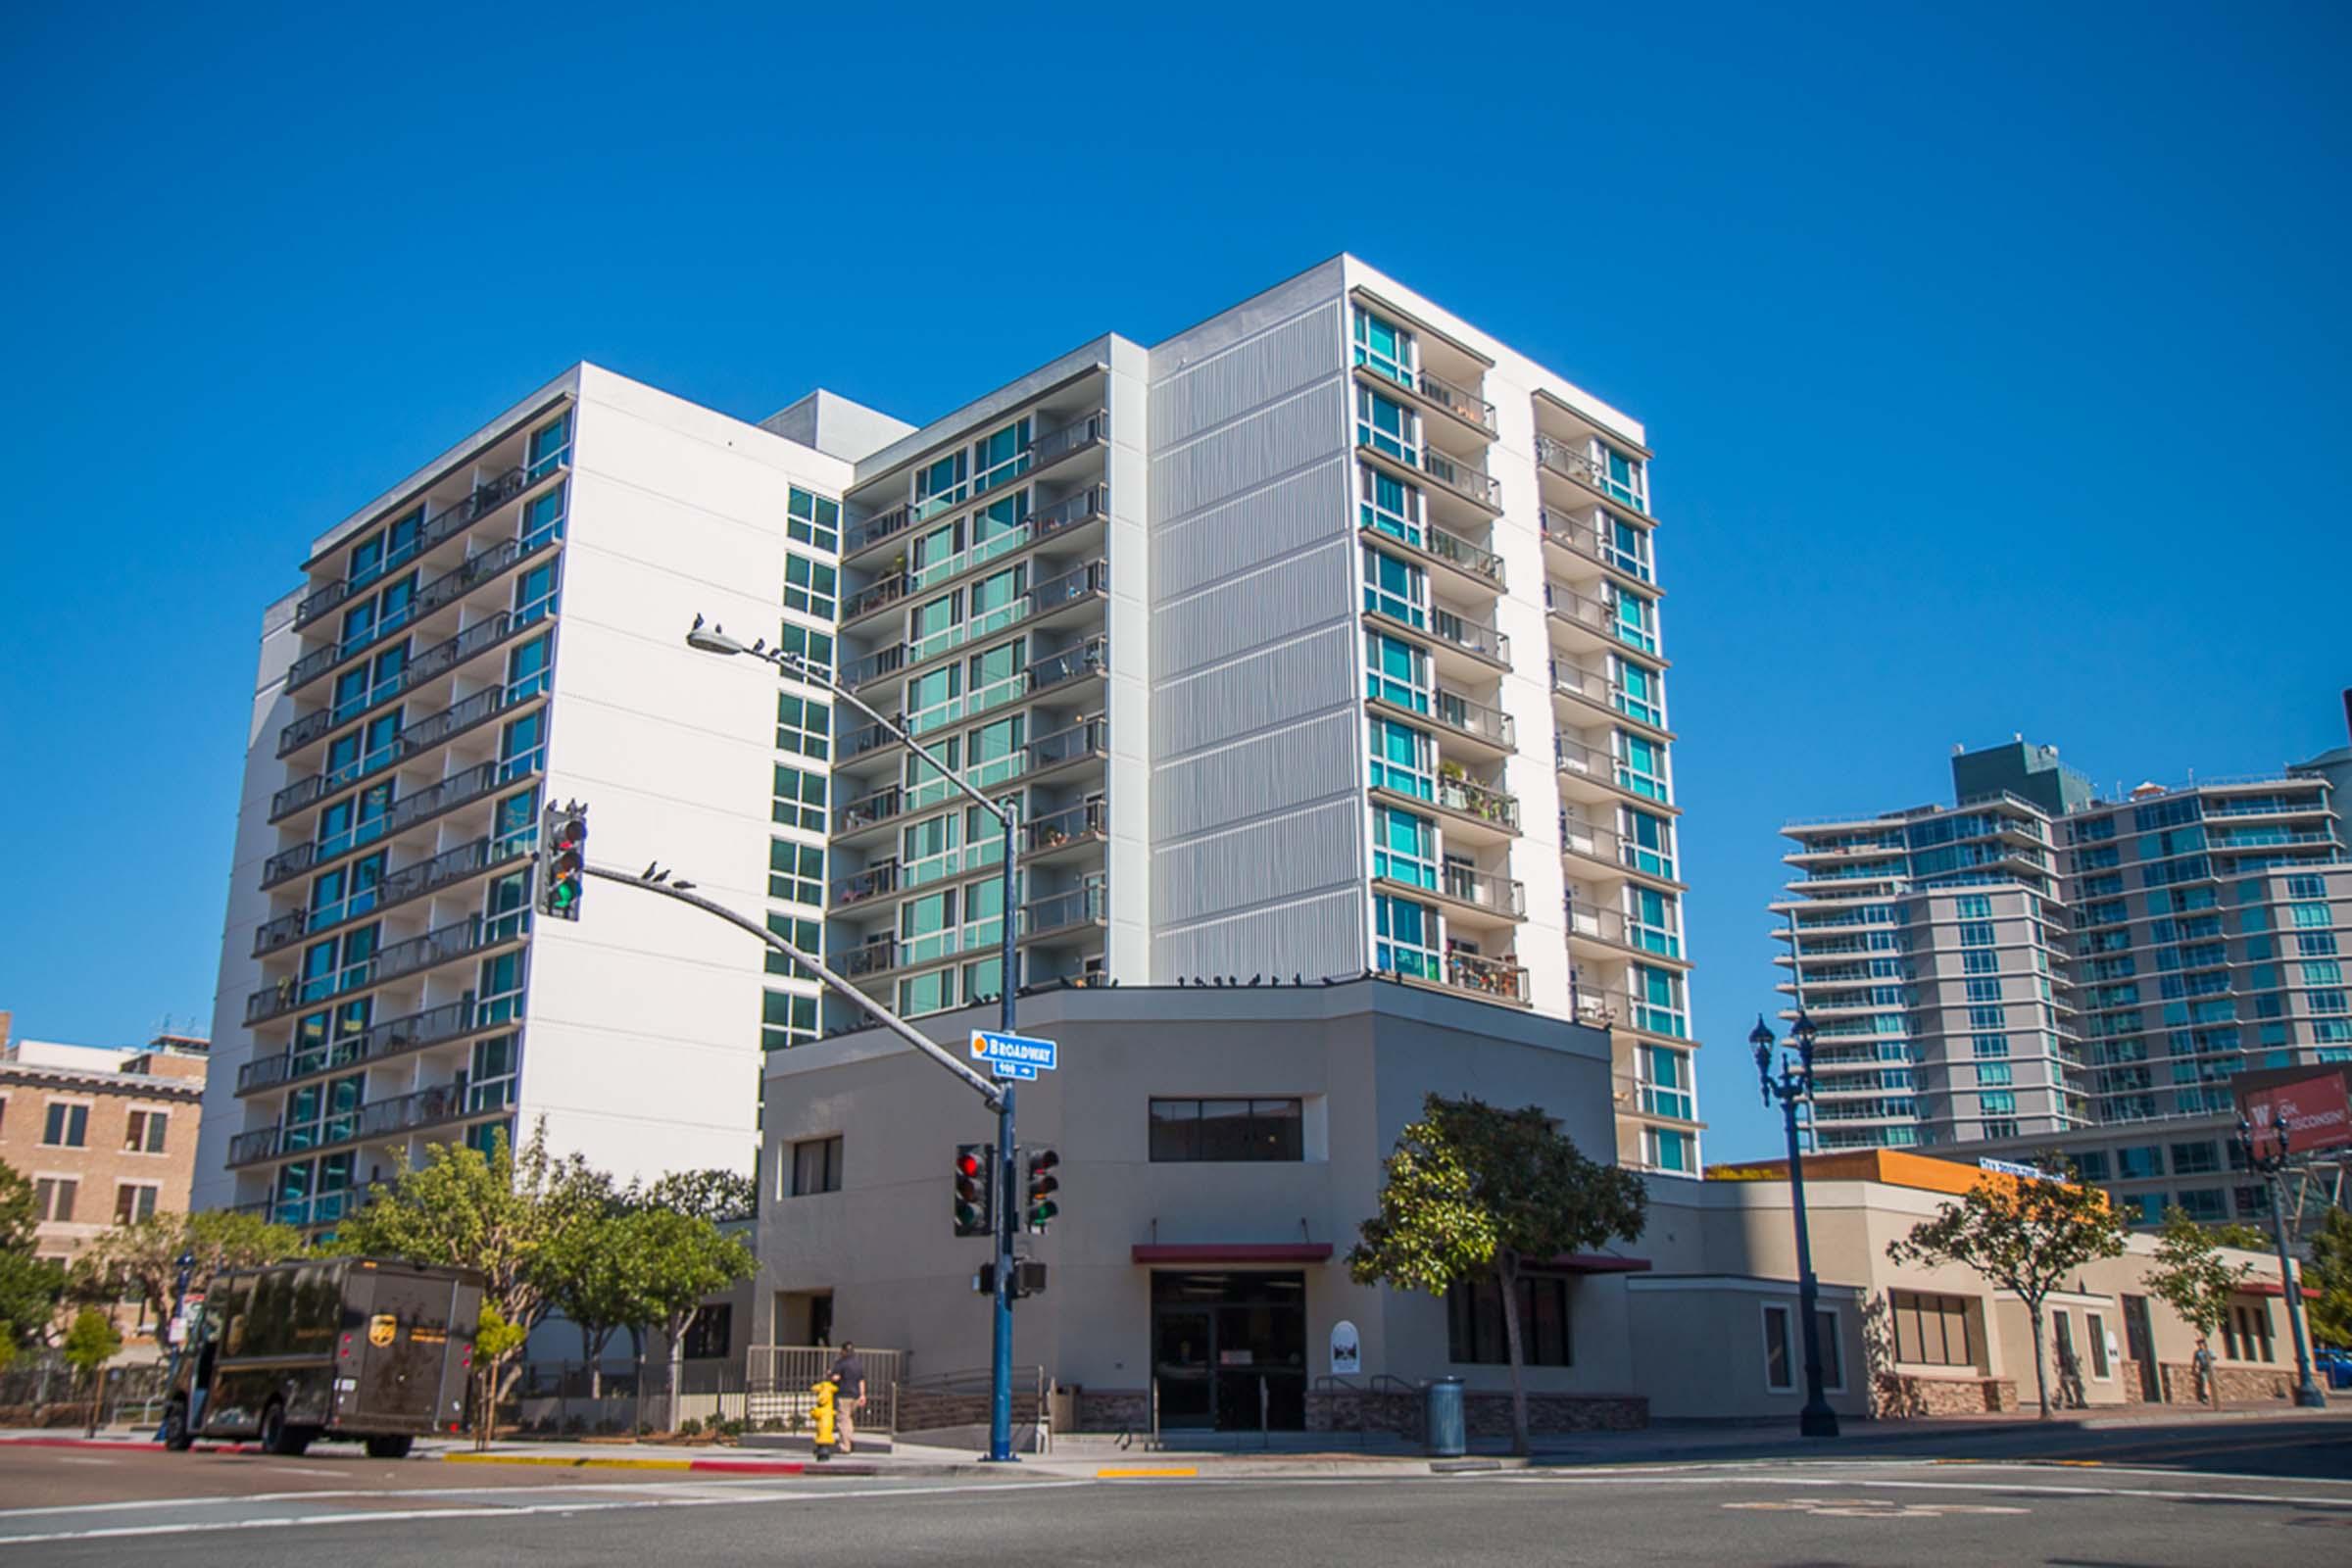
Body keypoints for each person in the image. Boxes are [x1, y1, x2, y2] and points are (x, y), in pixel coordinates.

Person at [829, 1341, 866, 1453]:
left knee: (843, 1420)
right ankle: (849, 1440)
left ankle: (845, 1446)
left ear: (843, 1351)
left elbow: (835, 1378)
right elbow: (861, 1380)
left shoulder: (841, 1363)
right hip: (855, 1395)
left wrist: (830, 1374)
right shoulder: (857, 1364)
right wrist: (862, 1395)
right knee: (849, 1419)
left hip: (844, 1394)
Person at [2193, 1335, 2216, 1405]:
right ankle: (2205, 1397)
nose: (2200, 1345)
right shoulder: (2197, 1353)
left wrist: (2209, 1357)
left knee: (2210, 1383)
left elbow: (2214, 1357)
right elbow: (2195, 1361)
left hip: (2210, 1369)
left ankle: (2209, 1397)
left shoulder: (2209, 1351)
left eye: (2201, 1343)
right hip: (2203, 1369)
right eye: (2198, 1344)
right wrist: (2194, 1369)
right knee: (2204, 1382)